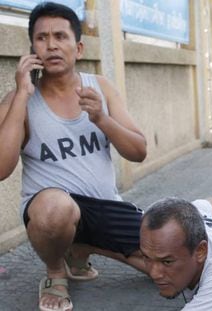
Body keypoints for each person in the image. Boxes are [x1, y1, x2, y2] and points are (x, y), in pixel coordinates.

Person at [0, 3, 148, 311]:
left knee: (166, 264)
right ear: (31, 49)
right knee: (56, 207)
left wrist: (102, 120)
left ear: (78, 47)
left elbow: (139, 151)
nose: (51, 44)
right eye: (41, 38)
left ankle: (81, 249)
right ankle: (56, 272)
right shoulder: (19, 100)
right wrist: (22, 95)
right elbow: (1, 169)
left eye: (60, 36)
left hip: (106, 209)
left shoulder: (101, 87)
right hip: (54, 213)